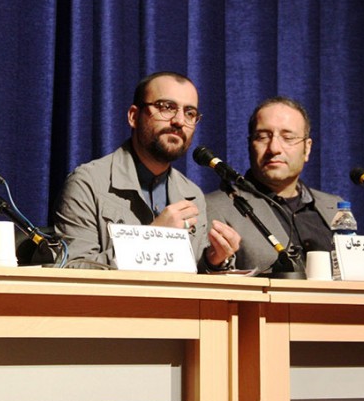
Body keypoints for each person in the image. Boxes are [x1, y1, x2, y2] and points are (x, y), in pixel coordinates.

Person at [53, 71, 240, 271]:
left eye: (190, 113)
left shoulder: (192, 194)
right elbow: (71, 269)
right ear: (134, 116)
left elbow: (195, 273)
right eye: (167, 107)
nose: (179, 121)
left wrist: (213, 260)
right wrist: (153, 239)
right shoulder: (88, 183)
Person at [205, 96, 342, 274]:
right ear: (249, 145)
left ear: (307, 148)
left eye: (288, 137)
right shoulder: (217, 207)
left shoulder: (335, 208)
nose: (274, 148)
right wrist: (214, 262)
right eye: (262, 137)